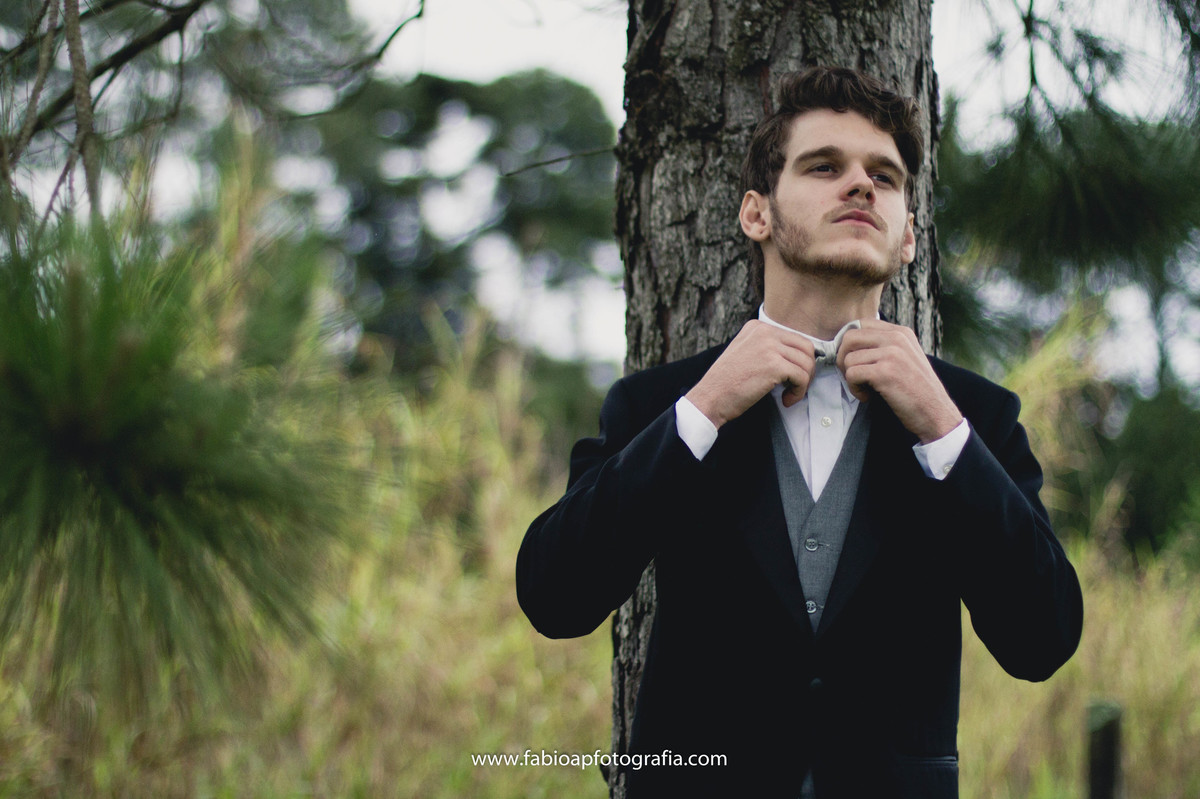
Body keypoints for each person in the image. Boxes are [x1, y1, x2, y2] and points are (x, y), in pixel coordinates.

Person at [516, 65, 1083, 798]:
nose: (861, 185)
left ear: (909, 236)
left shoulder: (977, 417)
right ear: (757, 214)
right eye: (825, 166)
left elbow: (1041, 640)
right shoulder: (658, 405)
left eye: (885, 175)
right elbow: (555, 596)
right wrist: (704, 410)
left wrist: (945, 431)